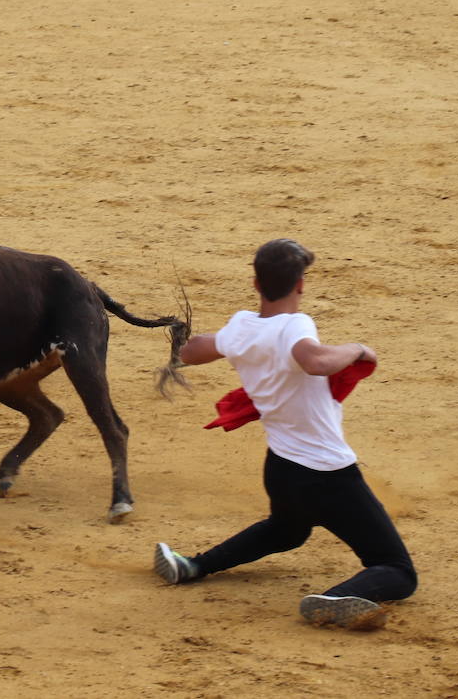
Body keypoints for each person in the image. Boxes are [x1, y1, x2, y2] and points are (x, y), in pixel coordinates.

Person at [153, 239, 416, 630]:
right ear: (301, 285)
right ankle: (335, 599)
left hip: (282, 469)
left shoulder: (242, 327)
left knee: (287, 530)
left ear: (256, 284)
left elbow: (191, 352)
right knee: (397, 570)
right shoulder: (295, 324)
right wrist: (359, 348)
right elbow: (314, 362)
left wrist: (226, 342)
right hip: (328, 475)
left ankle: (191, 565)